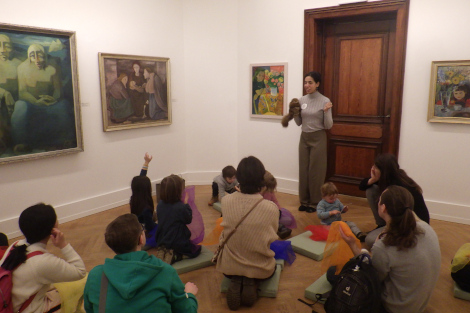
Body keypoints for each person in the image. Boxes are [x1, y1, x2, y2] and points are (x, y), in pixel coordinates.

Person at [340, 186, 441, 313]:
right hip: (419, 304)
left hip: (396, 308)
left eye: (379, 199)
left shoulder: (383, 246)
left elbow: (372, 280)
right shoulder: (427, 228)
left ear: (383, 208)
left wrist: (353, 245)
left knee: (335, 275)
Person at [84, 214, 198, 313]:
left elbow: (90, 309)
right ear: (141, 239)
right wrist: (190, 295)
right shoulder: (165, 272)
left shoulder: (96, 276)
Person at [216, 156, 279, 310]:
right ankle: (252, 280)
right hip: (261, 268)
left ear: (239, 178)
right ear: (261, 179)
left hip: (228, 268)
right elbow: (271, 237)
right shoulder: (271, 208)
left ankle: (237, 278)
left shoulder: (226, 201)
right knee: (272, 263)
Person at [0, 203, 86, 313]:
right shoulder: (43, 262)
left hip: (8, 301)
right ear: (52, 228)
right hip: (25, 309)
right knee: (83, 283)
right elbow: (80, 271)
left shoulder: (16, 245)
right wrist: (63, 245)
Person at [11, 43, 76, 152]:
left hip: (50, 103)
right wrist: (36, 101)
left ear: (44, 55)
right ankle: (21, 142)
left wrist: (53, 98)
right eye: (33, 56)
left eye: (40, 55)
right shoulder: (22, 68)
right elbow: (22, 92)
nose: (37, 59)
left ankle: (67, 140)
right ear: (29, 57)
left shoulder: (52, 68)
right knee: (20, 106)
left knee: (64, 105)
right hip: (31, 104)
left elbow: (58, 90)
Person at [359, 153, 430, 247]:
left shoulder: (397, 188)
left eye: (375, 167)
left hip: (410, 225)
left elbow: (399, 216)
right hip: (401, 220)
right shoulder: (392, 176)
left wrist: (387, 231)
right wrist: (372, 179)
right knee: (371, 189)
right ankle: (382, 225)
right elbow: (362, 186)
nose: (372, 169)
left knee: (370, 240)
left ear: (383, 171)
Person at [294, 71, 333, 213]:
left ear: (317, 84)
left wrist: (326, 111)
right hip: (304, 137)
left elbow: (328, 125)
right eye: (305, 82)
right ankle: (304, 201)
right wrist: (294, 113)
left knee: (316, 172)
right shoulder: (301, 100)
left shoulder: (324, 100)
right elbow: (298, 123)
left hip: (318, 138)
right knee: (303, 170)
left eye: (310, 82)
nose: (307, 85)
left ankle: (315, 203)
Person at [154, 174, 201, 264]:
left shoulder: (160, 204)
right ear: (178, 191)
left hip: (162, 239)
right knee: (196, 250)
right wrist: (186, 204)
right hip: (177, 241)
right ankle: (176, 255)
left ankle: (164, 250)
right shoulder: (180, 207)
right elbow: (188, 219)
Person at [130, 152, 157, 249]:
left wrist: (146, 162)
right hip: (145, 230)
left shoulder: (135, 198)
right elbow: (150, 226)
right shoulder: (146, 208)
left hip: (140, 223)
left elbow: (141, 178)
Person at [0, 33, 21, 154]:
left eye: (6, 46)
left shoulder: (18, 64)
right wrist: (4, 93)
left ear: (12, 48)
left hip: (15, 103)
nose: (2, 50)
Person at [261, 171, 295, 239]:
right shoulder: (261, 193)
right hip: (264, 211)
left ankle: (280, 228)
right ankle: (279, 227)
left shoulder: (269, 192)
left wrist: (278, 210)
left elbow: (275, 202)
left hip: (272, 210)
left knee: (274, 219)